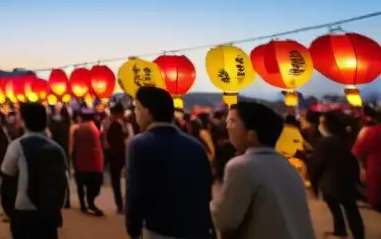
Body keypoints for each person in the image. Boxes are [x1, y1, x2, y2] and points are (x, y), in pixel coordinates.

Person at [210, 101, 314, 239]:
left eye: (232, 121)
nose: (227, 127)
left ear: (251, 134)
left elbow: (225, 221)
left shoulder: (242, 166)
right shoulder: (287, 166)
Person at [125, 86, 213, 239]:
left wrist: (133, 228)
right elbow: (206, 190)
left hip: (160, 228)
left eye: (137, 108)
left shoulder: (139, 144)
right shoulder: (195, 146)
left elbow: (135, 191)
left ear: (147, 111)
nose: (135, 113)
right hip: (197, 228)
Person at [0, 101, 68, 239]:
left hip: (25, 211)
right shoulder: (57, 148)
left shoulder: (17, 146)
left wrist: (10, 212)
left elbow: (6, 180)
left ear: (24, 120)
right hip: (50, 212)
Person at [308, 110, 365, 239]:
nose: (320, 125)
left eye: (323, 122)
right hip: (347, 179)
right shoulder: (346, 139)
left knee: (337, 208)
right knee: (351, 209)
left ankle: (341, 230)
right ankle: (357, 234)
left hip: (331, 182)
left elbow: (316, 165)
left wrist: (314, 182)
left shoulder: (324, 142)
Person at [69, 109, 104, 216]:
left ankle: (83, 205)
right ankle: (90, 204)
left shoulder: (76, 128)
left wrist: (70, 157)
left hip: (80, 160)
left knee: (81, 185)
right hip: (93, 161)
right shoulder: (94, 128)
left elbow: (71, 146)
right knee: (92, 184)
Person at [101, 102, 129, 214]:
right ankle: (123, 205)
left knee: (116, 181)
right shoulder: (126, 124)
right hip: (124, 154)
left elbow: (109, 141)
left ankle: (120, 205)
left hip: (115, 155)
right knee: (125, 181)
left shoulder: (114, 124)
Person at [353, 106, 381, 212]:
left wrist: (361, 169)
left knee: (376, 199)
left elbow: (357, 151)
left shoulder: (371, 132)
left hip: (375, 170)